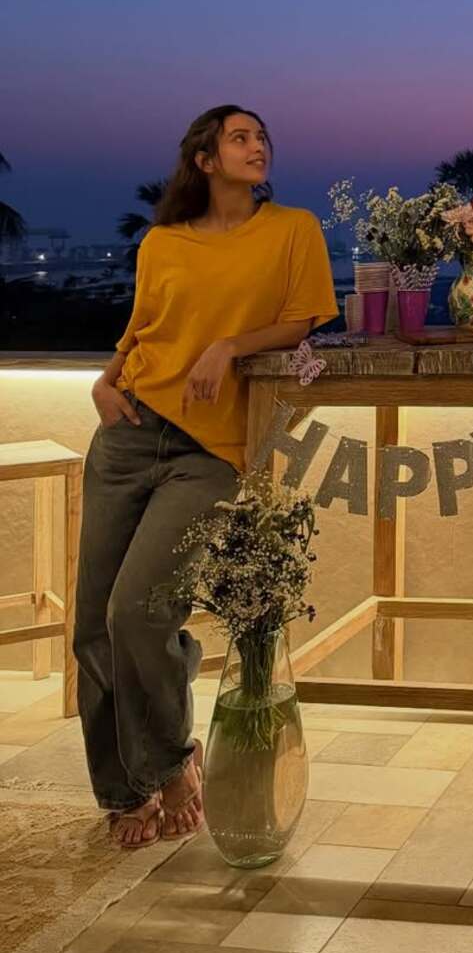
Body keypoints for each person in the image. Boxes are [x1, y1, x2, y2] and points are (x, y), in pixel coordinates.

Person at [76, 105, 338, 848]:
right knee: (93, 626)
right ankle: (124, 793)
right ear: (204, 159)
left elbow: (301, 320)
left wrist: (230, 344)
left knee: (140, 609)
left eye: (262, 137)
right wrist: (104, 381)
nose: (258, 146)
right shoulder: (161, 242)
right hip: (127, 434)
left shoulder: (293, 229)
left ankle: (169, 759)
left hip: (208, 449)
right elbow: (140, 333)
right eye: (240, 136)